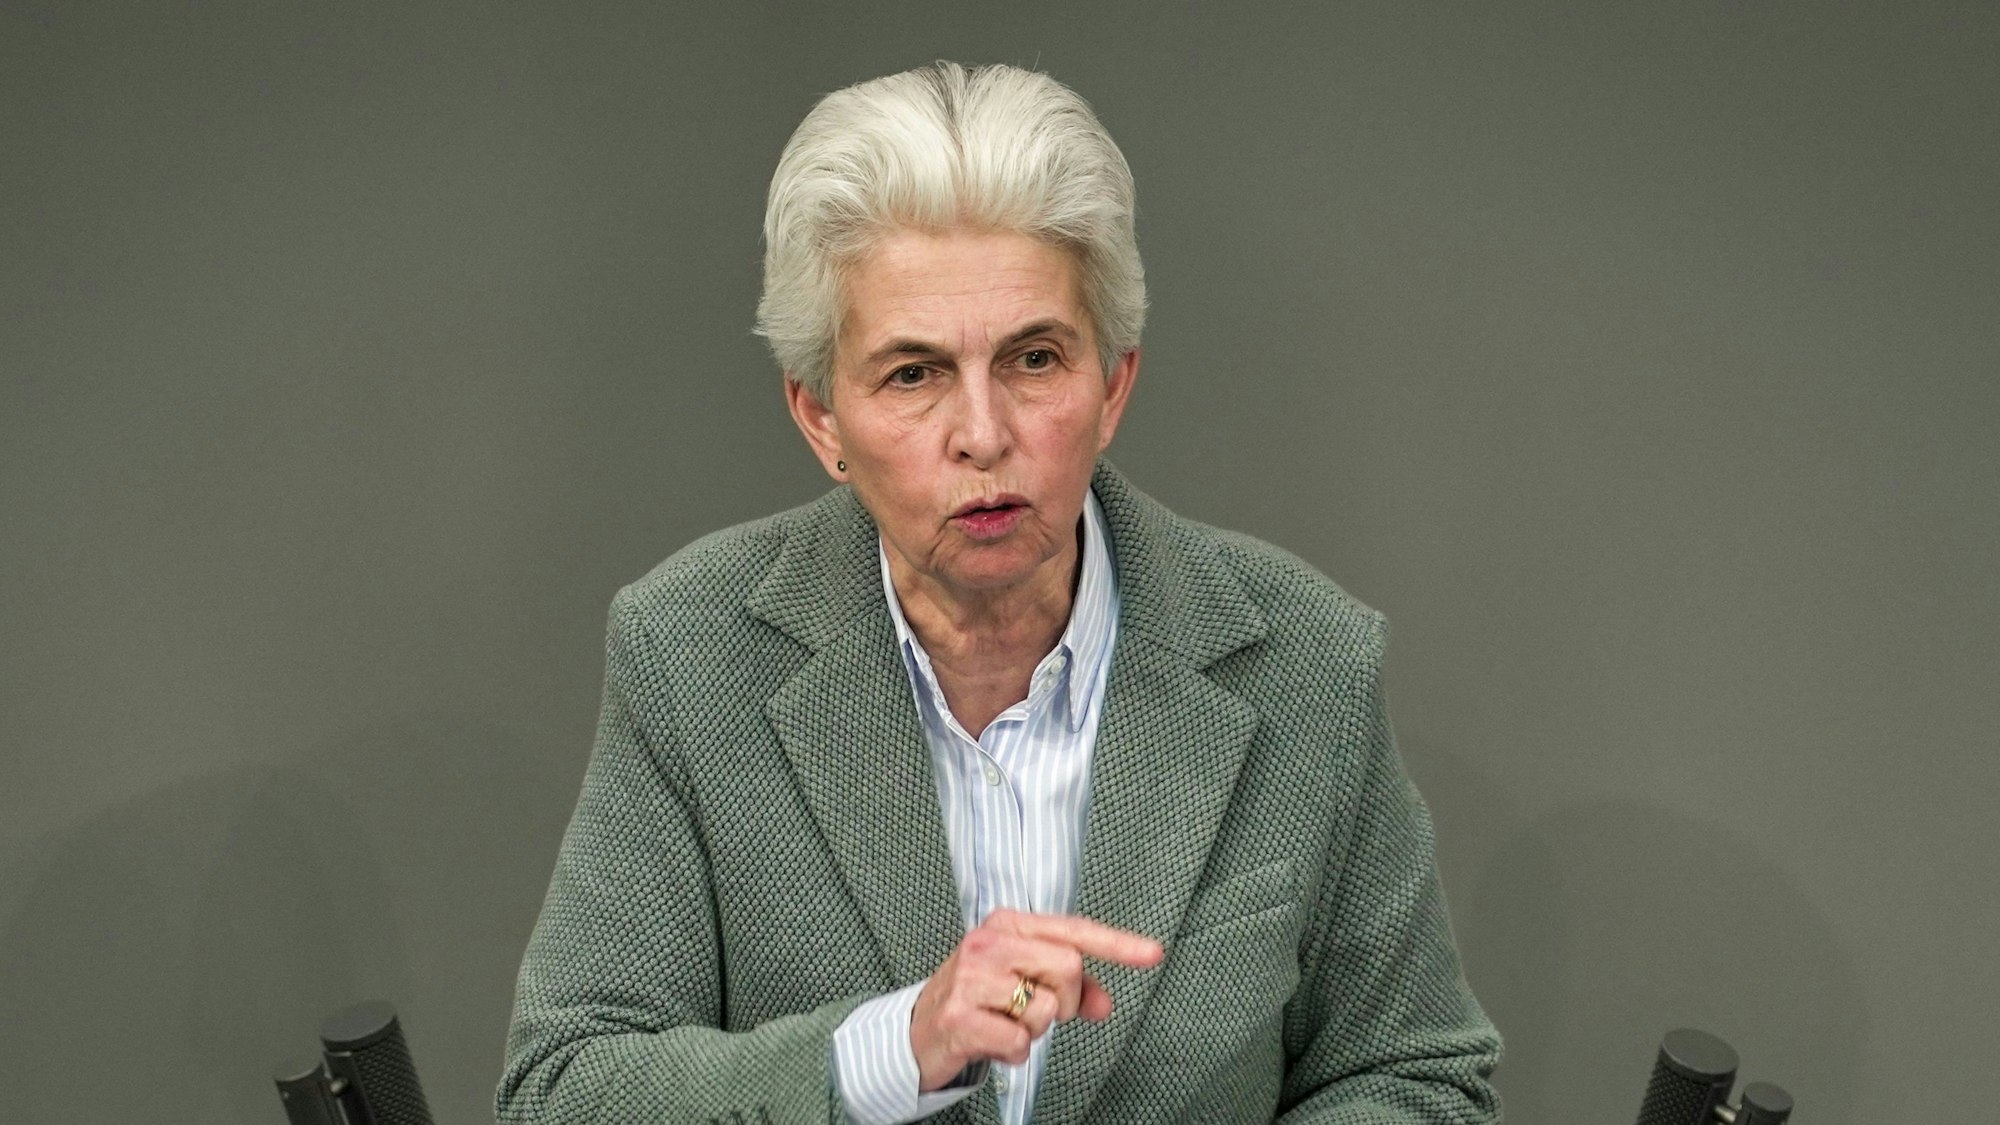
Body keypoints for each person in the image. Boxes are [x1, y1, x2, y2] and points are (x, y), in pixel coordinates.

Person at [497, 61, 1501, 1125]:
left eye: (1032, 358)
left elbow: (1414, 1079)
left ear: (1110, 386)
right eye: (912, 373)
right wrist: (893, 1047)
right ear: (820, 419)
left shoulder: (1307, 661)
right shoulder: (688, 652)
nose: (982, 433)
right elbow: (566, 1091)